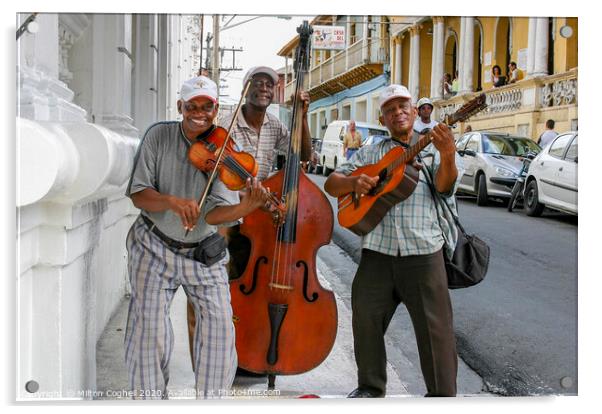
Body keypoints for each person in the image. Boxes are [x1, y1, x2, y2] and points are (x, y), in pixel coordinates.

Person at [124, 75, 271, 399]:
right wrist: (171, 202)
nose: (200, 113)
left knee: (219, 327)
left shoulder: (226, 149)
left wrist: (246, 206)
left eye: (208, 106)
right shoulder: (158, 136)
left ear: (216, 109)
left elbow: (216, 214)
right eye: (192, 106)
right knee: (149, 330)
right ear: (181, 106)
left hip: (203, 250)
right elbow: (138, 195)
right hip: (154, 244)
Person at [324, 84, 463, 398]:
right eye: (390, 109)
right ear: (383, 119)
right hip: (378, 252)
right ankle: (370, 388)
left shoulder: (434, 144)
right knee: (366, 319)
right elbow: (333, 183)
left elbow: (444, 187)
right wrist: (353, 180)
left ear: (415, 112)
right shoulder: (372, 151)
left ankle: (442, 397)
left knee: (435, 332)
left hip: (424, 252)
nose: (398, 113)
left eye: (403, 107)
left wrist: (448, 154)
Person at [186, 66, 312, 373]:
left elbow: (303, 154)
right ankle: (214, 362)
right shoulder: (226, 122)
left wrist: (302, 115)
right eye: (258, 82)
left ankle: (244, 355)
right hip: (225, 218)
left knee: (250, 287)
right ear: (246, 88)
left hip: (259, 220)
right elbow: (203, 155)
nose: (265, 88)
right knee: (221, 288)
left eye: (270, 84)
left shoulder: (275, 125)